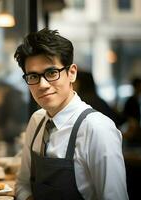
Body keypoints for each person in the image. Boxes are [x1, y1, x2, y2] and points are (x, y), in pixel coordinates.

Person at [14, 28, 128, 200]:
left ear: (72, 73)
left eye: (52, 73)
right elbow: (22, 184)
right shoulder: (37, 121)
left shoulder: (97, 129)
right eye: (33, 76)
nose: (42, 85)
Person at [122, 77, 141, 146]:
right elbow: (129, 119)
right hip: (132, 136)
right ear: (137, 87)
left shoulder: (134, 100)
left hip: (133, 135)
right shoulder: (132, 101)